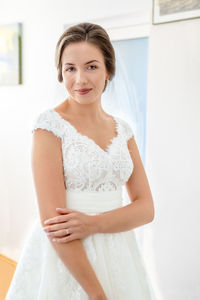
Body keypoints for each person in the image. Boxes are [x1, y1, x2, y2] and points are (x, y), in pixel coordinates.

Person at [6, 22, 156, 300]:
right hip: (66, 258)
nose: (80, 80)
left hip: (119, 253)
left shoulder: (123, 130)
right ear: (61, 74)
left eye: (91, 66)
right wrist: (96, 295)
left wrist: (93, 223)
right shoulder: (48, 127)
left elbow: (146, 208)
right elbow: (54, 224)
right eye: (70, 69)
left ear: (108, 70)